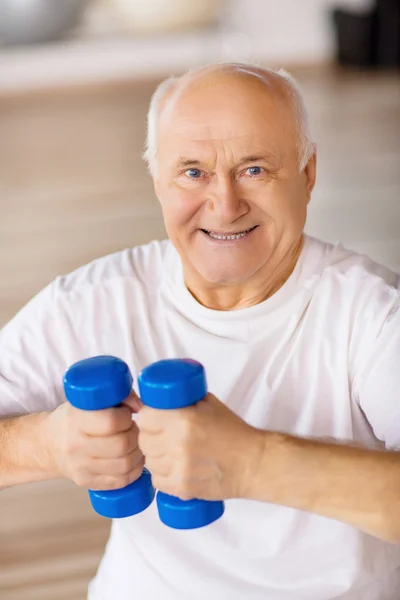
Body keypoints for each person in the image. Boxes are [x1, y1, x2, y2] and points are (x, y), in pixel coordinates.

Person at [0, 62, 399, 600]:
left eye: (255, 169)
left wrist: (255, 463)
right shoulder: (91, 301)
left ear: (307, 174)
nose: (225, 205)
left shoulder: (373, 313)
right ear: (157, 180)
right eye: (193, 172)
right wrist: (44, 445)